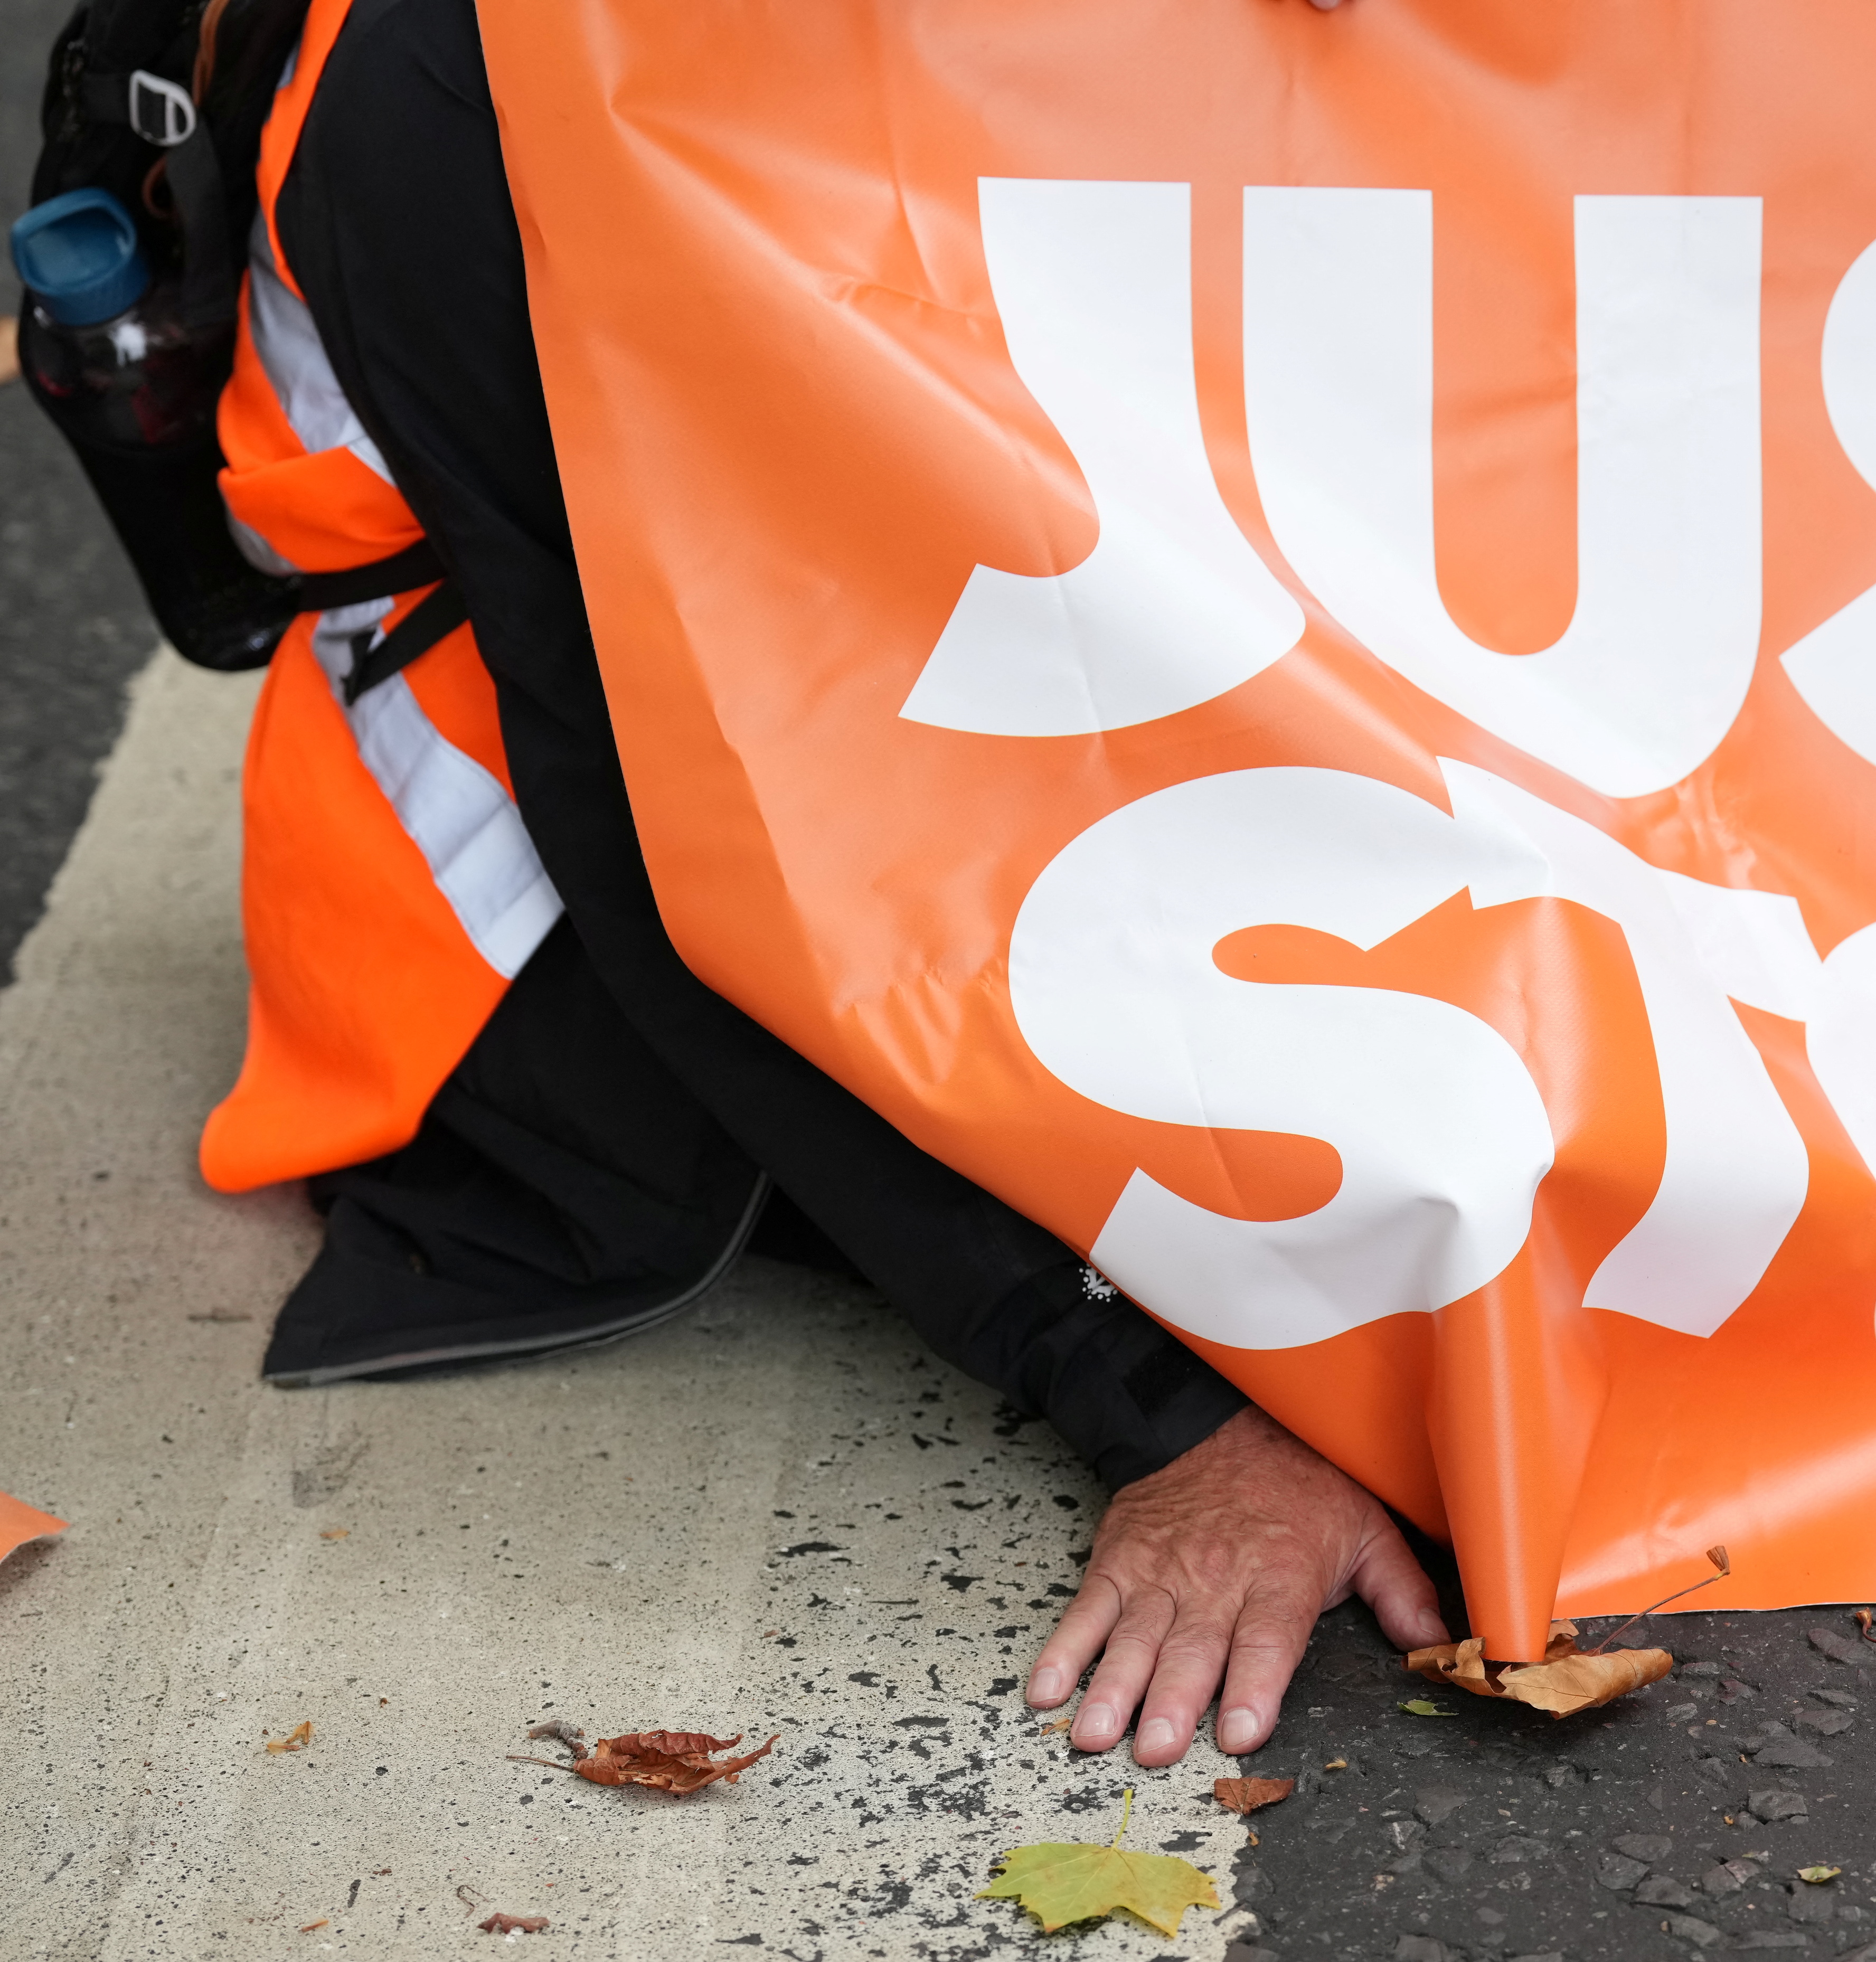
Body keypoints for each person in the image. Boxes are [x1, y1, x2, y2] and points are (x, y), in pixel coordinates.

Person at [230, 0, 1440, 1769]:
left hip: (926, 632)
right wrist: (1179, 1407)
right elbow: (656, 813)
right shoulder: (449, 69)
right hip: (532, 875)